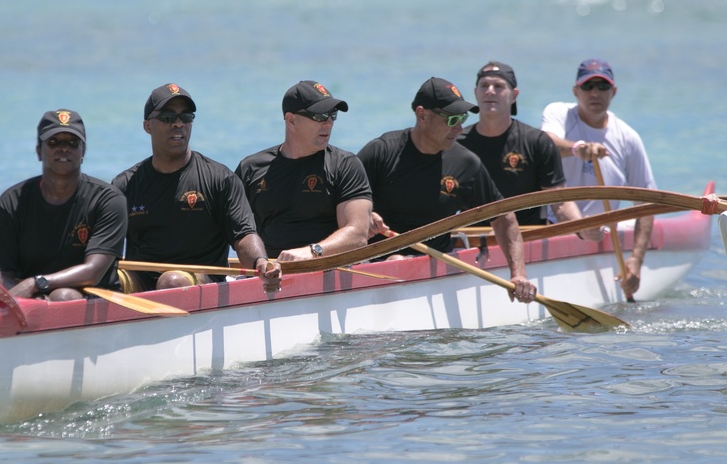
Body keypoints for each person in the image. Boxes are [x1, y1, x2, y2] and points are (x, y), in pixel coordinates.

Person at [357, 76, 538, 303]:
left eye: (462, 118)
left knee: (400, 261)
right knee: (395, 260)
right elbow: (339, 201)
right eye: (452, 119)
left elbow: (504, 218)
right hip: (373, 267)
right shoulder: (381, 152)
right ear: (422, 115)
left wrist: (518, 274)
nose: (460, 127)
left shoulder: (466, 164)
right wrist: (364, 216)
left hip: (436, 269)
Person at [112, 83, 282, 292]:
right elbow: (105, 244)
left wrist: (261, 263)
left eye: (186, 117)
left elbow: (244, 236)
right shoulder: (124, 185)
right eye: (168, 117)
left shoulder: (220, 179)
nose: (178, 124)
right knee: (110, 278)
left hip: (201, 279)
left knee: (171, 281)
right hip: (141, 280)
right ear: (147, 126)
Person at [541, 59, 657, 298]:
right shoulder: (559, 113)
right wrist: (577, 149)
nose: (595, 93)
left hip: (601, 236)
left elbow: (645, 203)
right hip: (555, 227)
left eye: (602, 87)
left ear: (613, 92)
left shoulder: (627, 138)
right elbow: (545, 145)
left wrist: (635, 260)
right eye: (588, 86)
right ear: (576, 91)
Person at [0, 109, 128, 301]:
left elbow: (93, 272)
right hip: (33, 300)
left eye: (72, 142)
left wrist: (36, 283)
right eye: (54, 142)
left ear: (83, 152)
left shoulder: (108, 200)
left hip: (95, 295)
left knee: (63, 295)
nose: (63, 148)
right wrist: (26, 300)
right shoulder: (12, 201)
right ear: (39, 151)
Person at [458, 61, 603, 240]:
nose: (490, 91)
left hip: (527, 239)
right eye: (484, 85)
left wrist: (582, 229)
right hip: (472, 242)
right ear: (475, 93)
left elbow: (559, 202)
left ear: (514, 95)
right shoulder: (456, 144)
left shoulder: (537, 142)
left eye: (498, 86)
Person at [234, 80, 372, 261]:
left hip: (329, 268)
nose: (329, 123)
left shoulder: (346, 165)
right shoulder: (250, 168)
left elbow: (358, 234)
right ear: (291, 120)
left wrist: (312, 252)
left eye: (333, 115)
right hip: (270, 272)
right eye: (320, 116)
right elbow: (229, 229)